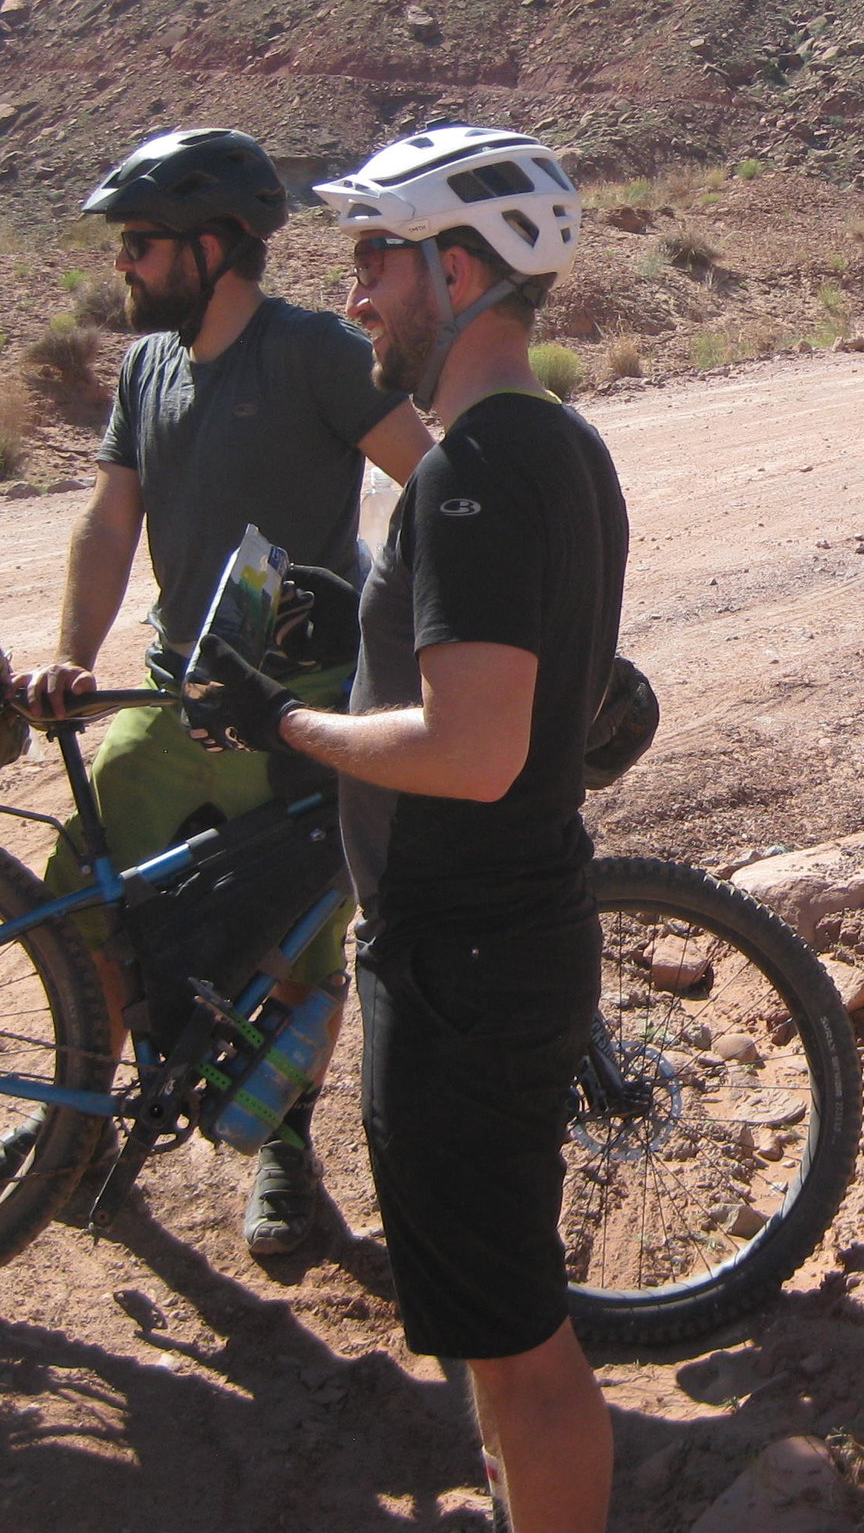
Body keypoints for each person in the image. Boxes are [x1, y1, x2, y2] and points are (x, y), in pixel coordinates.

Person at [180, 124, 621, 1533]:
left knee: (517, 1338)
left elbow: (474, 747)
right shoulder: (546, 441)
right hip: (485, 939)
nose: (357, 294)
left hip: (466, 959)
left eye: (375, 257)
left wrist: (282, 723)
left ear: (458, 266)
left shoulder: (475, 473)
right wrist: (356, 627)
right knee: (495, 1329)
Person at [0, 126, 432, 1257]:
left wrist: (412, 638)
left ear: (213, 248)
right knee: (89, 904)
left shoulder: (314, 352)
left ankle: (285, 1152)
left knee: (303, 941)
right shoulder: (146, 367)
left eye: (140, 245)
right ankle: (71, 1129)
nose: (122, 264)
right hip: (173, 699)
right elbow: (112, 520)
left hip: (302, 700)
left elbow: (431, 476)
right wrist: (73, 654)